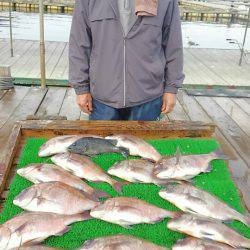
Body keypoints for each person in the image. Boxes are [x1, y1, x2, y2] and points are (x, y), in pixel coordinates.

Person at [69, 0, 184, 120]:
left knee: (142, 140)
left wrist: (171, 89)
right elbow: (79, 43)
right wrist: (81, 88)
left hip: (148, 97)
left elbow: (173, 44)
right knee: (101, 139)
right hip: (102, 98)